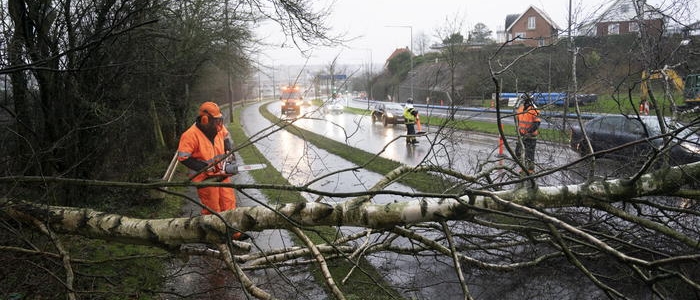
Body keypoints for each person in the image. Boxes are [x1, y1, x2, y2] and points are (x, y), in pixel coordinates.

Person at [177, 101, 248, 240]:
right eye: (215, 120)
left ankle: (234, 233)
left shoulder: (219, 128)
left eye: (219, 120)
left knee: (229, 203)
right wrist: (203, 167)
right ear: (205, 119)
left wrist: (228, 150)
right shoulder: (190, 135)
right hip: (205, 178)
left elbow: (226, 136)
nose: (218, 124)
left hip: (221, 174)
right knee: (212, 208)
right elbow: (183, 157)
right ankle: (214, 237)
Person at [514, 95, 541, 174]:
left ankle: (530, 170)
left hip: (531, 136)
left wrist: (528, 132)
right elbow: (518, 120)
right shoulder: (521, 108)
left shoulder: (534, 110)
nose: (522, 102)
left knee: (529, 154)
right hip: (522, 135)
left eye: (524, 100)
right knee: (518, 152)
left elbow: (537, 123)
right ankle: (523, 167)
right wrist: (519, 131)